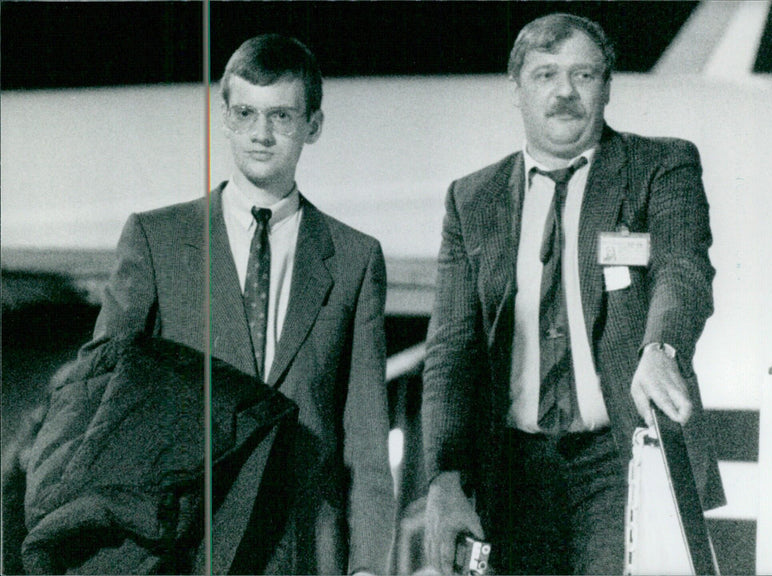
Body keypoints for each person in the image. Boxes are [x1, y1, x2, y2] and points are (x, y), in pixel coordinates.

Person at [68, 33, 395, 575]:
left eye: (282, 117)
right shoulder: (157, 240)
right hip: (179, 544)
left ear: (313, 125)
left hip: (303, 547)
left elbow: (366, 439)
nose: (260, 135)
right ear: (223, 115)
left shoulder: (356, 259)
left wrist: (366, 565)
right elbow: (94, 402)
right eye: (245, 113)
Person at [421, 13, 725, 575]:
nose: (564, 92)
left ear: (607, 86)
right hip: (512, 474)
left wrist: (662, 350)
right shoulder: (472, 200)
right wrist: (443, 478)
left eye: (583, 75)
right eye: (544, 75)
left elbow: (682, 270)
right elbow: (450, 352)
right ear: (515, 89)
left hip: (622, 458)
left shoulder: (660, 166)